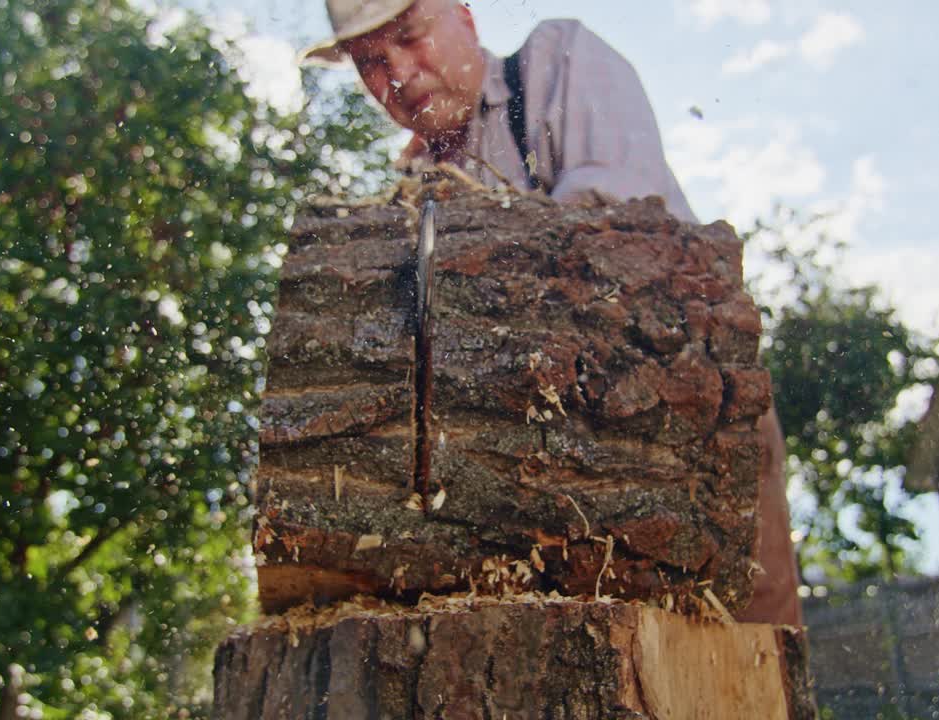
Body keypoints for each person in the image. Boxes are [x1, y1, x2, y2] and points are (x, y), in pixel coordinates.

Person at [303, 0, 802, 626]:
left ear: (464, 17)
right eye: (370, 62)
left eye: (409, 37)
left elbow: (604, 228)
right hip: (545, 480)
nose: (398, 73)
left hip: (682, 423)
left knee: (739, 643)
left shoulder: (552, 66)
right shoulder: (413, 189)